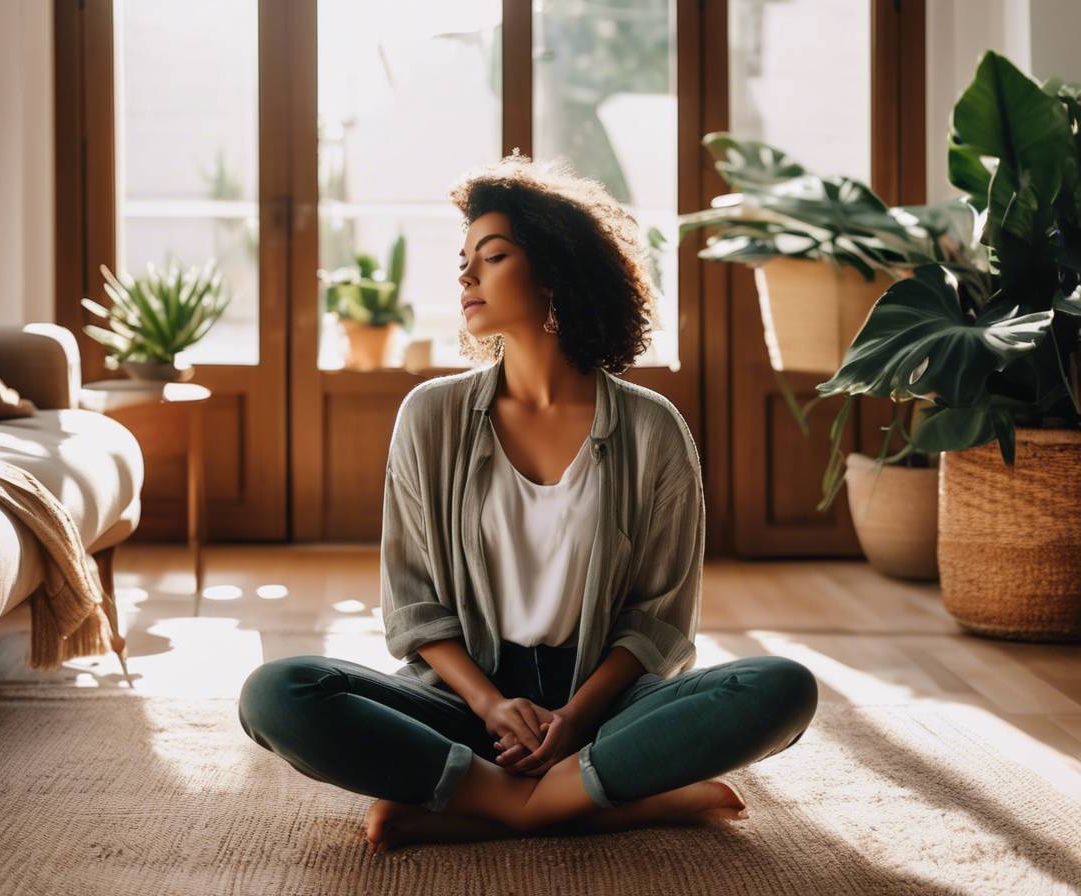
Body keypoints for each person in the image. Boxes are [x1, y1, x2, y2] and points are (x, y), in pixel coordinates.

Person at [238, 151, 819, 856]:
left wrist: (574, 718)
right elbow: (413, 603)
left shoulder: (653, 428)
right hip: (461, 703)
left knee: (781, 687)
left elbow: (656, 622)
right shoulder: (432, 415)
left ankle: (484, 804)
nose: (465, 274)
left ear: (554, 271)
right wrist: (489, 703)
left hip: (602, 709)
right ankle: (565, 802)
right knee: (277, 692)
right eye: (464, 259)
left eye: (492, 256)